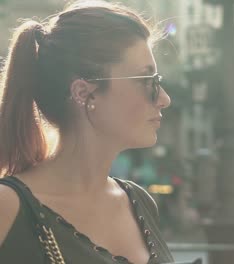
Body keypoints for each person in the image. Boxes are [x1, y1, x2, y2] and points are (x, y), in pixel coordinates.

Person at [0, 1, 175, 263]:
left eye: (157, 81)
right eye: (146, 81)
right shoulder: (8, 207)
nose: (164, 98)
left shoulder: (140, 202)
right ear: (84, 92)